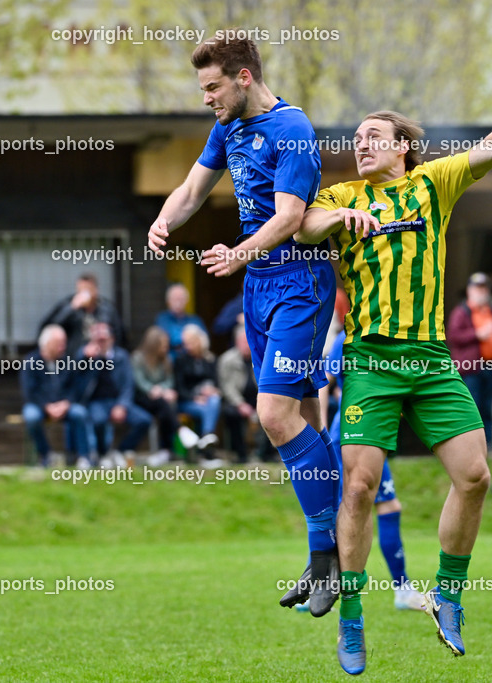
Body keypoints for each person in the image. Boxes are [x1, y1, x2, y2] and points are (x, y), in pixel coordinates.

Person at [295, 75, 492, 674]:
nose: (362, 144)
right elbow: (301, 225)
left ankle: (448, 595)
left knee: (475, 476)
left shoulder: (434, 183)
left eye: (374, 136)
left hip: (429, 361)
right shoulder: (341, 195)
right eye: (356, 138)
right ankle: (352, 621)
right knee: (358, 487)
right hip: (372, 359)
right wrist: (340, 221)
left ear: (404, 146)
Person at [147, 34, 340, 616]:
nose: (206, 98)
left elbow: (289, 218)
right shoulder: (227, 127)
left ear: (244, 78)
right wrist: (163, 220)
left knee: (273, 415)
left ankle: (332, 557)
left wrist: (237, 254)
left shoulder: (293, 132)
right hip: (259, 287)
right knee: (303, 416)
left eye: (212, 87)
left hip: (298, 284)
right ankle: (322, 549)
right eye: (203, 88)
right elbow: (192, 188)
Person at [313, 328, 427, 613]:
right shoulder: (348, 337)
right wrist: (321, 426)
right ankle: (320, 585)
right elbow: (325, 379)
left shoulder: (388, 333)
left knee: (382, 507)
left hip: (371, 433)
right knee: (351, 509)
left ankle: (398, 588)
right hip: (351, 433)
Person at [70, 323, 152, 468]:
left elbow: (128, 385)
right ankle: (102, 453)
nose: (101, 343)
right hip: (97, 402)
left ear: (112, 339)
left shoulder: (122, 356)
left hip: (118, 401)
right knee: (99, 420)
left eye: (104, 339)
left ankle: (120, 451)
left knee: (144, 420)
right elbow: (74, 378)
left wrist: (122, 405)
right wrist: (86, 358)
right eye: (97, 340)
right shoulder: (85, 356)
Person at [446, 273, 492, 449]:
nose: (482, 292)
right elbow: (453, 337)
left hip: (490, 367)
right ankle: (472, 448)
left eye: (484, 288)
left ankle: (488, 446)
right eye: (478, 288)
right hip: (470, 369)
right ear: (469, 290)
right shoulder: (461, 312)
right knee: (473, 408)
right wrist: (477, 335)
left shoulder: (491, 311)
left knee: (488, 408)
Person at [20, 324, 89, 467]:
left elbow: (75, 388)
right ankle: (46, 455)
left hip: (64, 405)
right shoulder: (31, 361)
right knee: (31, 417)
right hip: (40, 405)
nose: (63, 347)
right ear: (46, 344)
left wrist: (66, 403)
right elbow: (29, 392)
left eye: (64, 343)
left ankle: (82, 457)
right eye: (59, 343)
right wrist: (46, 406)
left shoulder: (68, 360)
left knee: (80, 413)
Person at [39, 273, 125, 355]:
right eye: (80, 290)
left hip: (100, 359)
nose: (83, 294)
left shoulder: (107, 308)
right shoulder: (68, 305)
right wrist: (71, 308)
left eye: (87, 290)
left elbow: (118, 333)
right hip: (74, 358)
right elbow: (51, 327)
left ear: (96, 290)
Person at [174, 324, 223, 466]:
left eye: (191, 342)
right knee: (209, 408)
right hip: (188, 402)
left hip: (208, 402)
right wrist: (195, 398)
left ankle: (206, 438)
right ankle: (207, 447)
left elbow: (218, 384)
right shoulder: (181, 361)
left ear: (200, 341)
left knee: (214, 401)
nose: (187, 346)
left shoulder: (210, 360)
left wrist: (212, 390)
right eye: (185, 343)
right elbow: (179, 388)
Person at [131, 326, 179, 465]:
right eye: (163, 345)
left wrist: (162, 390)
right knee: (165, 405)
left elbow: (169, 380)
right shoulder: (138, 358)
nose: (166, 348)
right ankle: (170, 443)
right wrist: (152, 389)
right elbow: (139, 381)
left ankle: (166, 450)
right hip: (142, 398)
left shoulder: (166, 360)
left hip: (160, 399)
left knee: (166, 405)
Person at [218, 322, 257, 463]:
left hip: (257, 399)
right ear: (236, 342)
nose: (247, 345)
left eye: (249, 341)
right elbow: (226, 387)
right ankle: (240, 454)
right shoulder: (227, 360)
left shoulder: (259, 357)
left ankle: (267, 453)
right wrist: (240, 404)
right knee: (231, 414)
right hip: (235, 401)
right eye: (243, 341)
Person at [155, 283, 207, 357]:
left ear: (187, 300)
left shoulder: (195, 320)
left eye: (181, 299)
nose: (178, 302)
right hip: (170, 362)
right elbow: (162, 341)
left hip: (192, 360)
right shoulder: (162, 319)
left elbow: (204, 343)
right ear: (168, 301)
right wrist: (191, 340)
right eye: (175, 299)